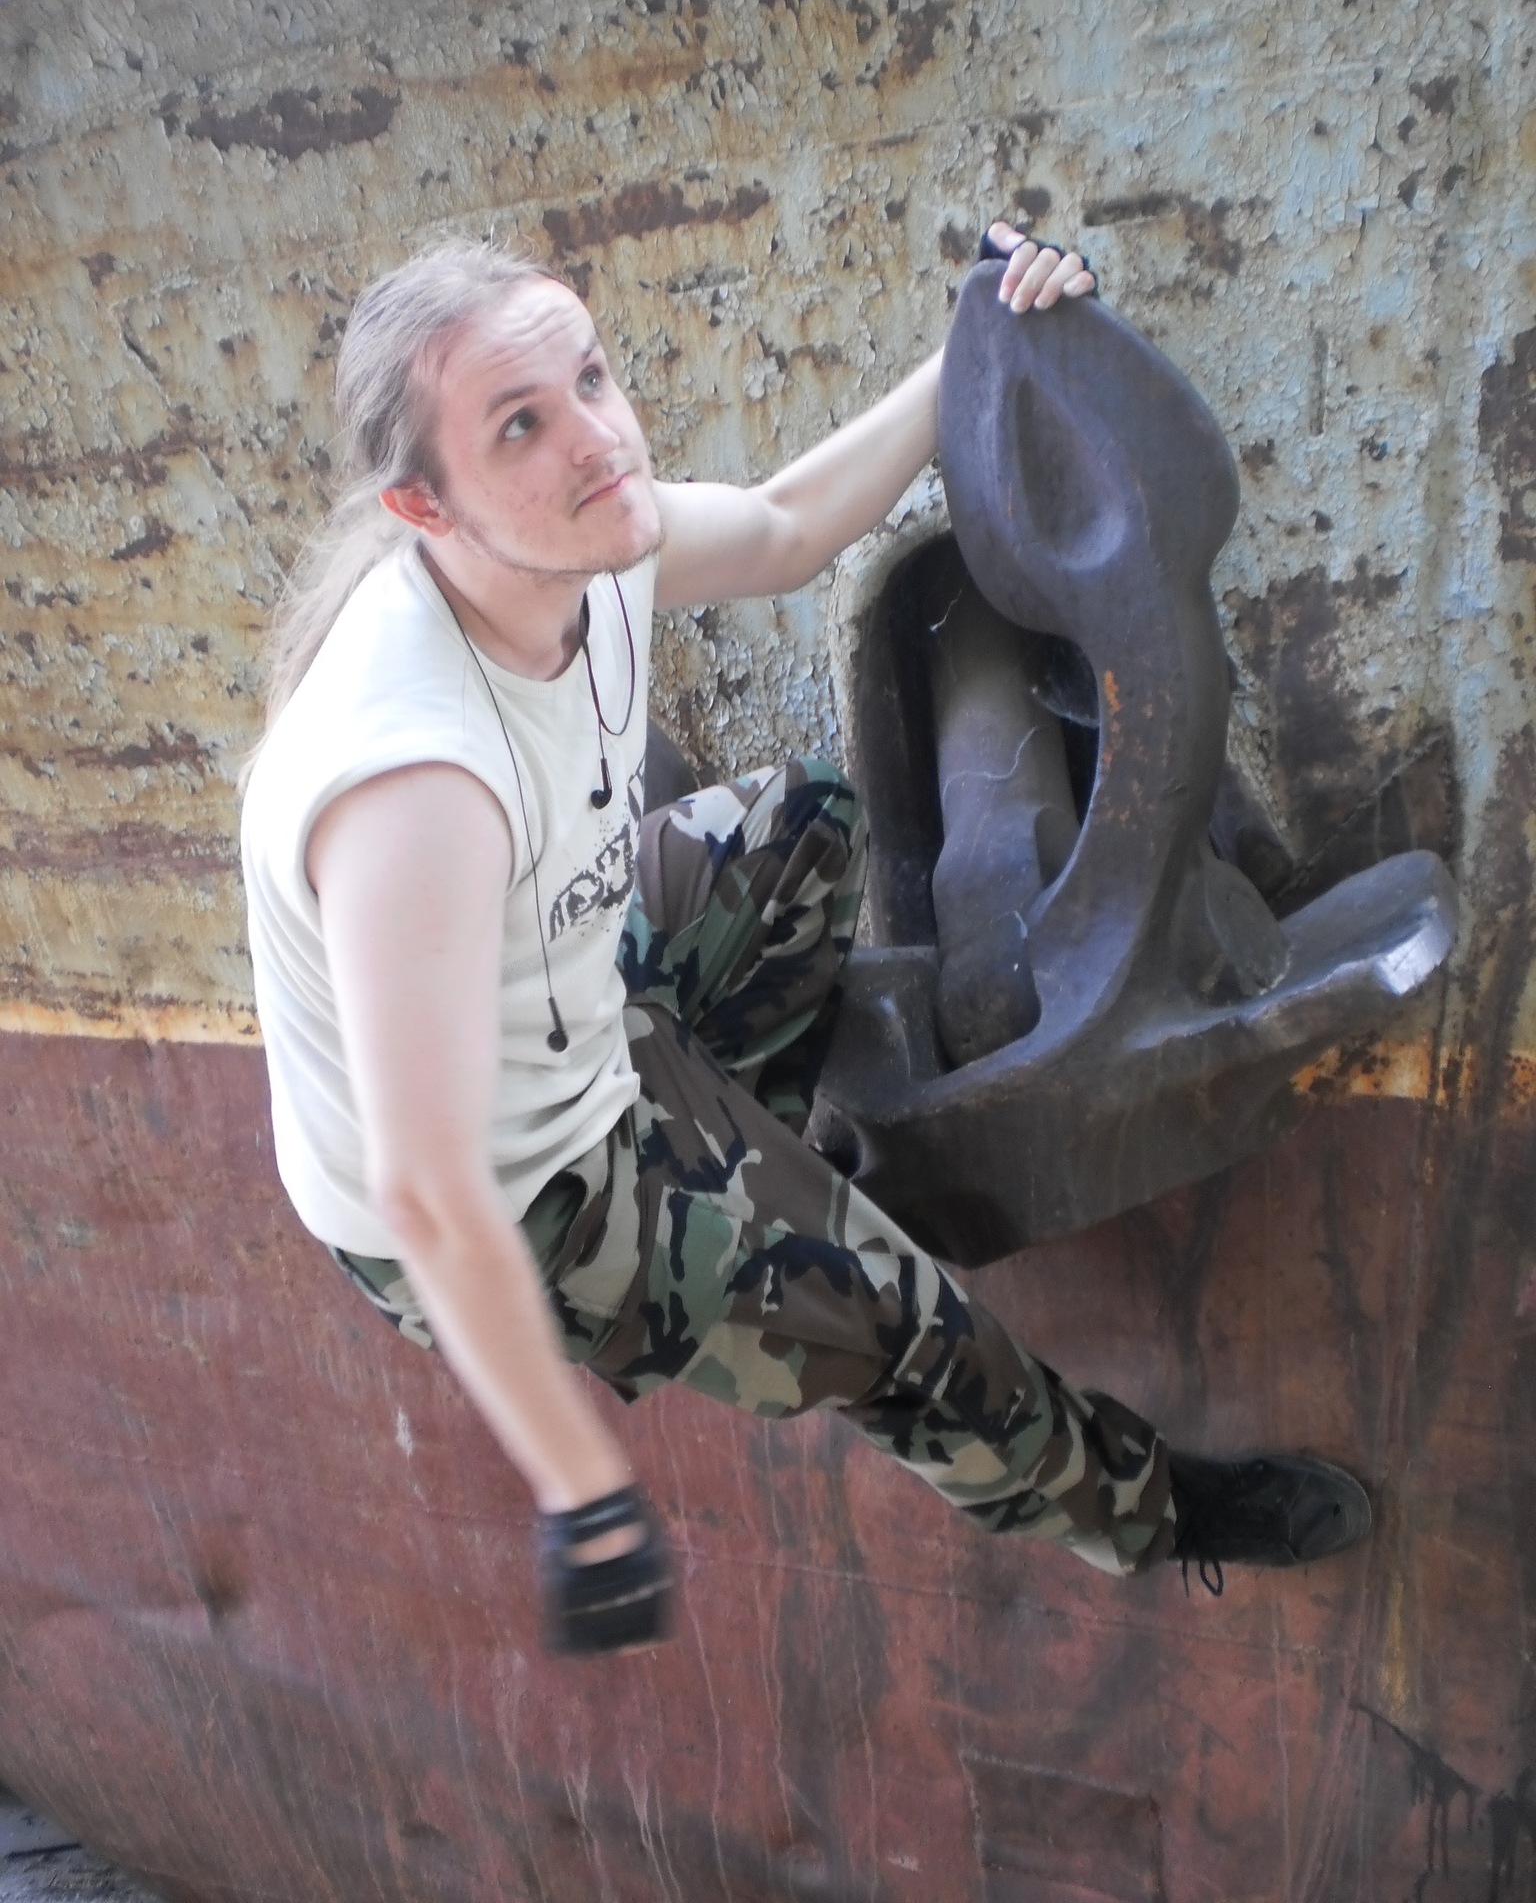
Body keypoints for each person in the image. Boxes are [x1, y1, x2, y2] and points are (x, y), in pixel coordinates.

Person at [239, 222, 1370, 1657]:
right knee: (912, 1336)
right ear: (425, 506)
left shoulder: (583, 540)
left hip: (575, 1006)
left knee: (801, 828)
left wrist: (977, 340)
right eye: (519, 424)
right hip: (524, 1196)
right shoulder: (414, 784)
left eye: (590, 379)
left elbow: (783, 526)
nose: (595, 439)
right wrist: (583, 1493)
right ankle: (1152, 1512)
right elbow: (429, 1192)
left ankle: (773, 1175)